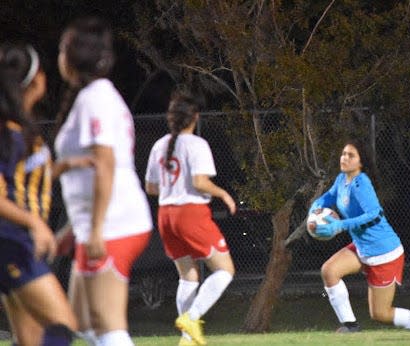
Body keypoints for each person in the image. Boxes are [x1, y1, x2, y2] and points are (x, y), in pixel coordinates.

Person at [54, 17, 153, 346]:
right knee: (81, 319)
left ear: (72, 55)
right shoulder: (92, 97)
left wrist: (95, 229)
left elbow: (105, 164)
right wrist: (74, 230)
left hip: (113, 222)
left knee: (107, 324)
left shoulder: (95, 98)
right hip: (98, 222)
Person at [308, 138, 410, 333]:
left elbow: (374, 214)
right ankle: (351, 327)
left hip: (383, 252)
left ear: (361, 162)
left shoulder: (361, 183)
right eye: (343, 153)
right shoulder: (342, 180)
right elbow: (328, 197)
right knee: (329, 271)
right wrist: (316, 207)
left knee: (381, 314)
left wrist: (340, 225)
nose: (344, 158)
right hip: (362, 246)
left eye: (351, 155)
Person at [0, 43, 78, 345]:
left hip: (18, 241)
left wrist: (64, 167)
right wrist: (35, 224)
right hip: (11, 240)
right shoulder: (7, 132)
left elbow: (21, 181)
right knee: (60, 326)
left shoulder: (20, 129)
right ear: (34, 81)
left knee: (31, 340)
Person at [145, 91, 236, 346]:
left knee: (188, 276)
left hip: (165, 215)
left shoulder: (158, 145)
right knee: (225, 270)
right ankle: (192, 318)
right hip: (190, 213)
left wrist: (173, 190)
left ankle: (187, 339)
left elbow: (151, 187)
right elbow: (200, 182)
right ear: (195, 117)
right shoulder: (197, 144)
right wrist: (224, 194)